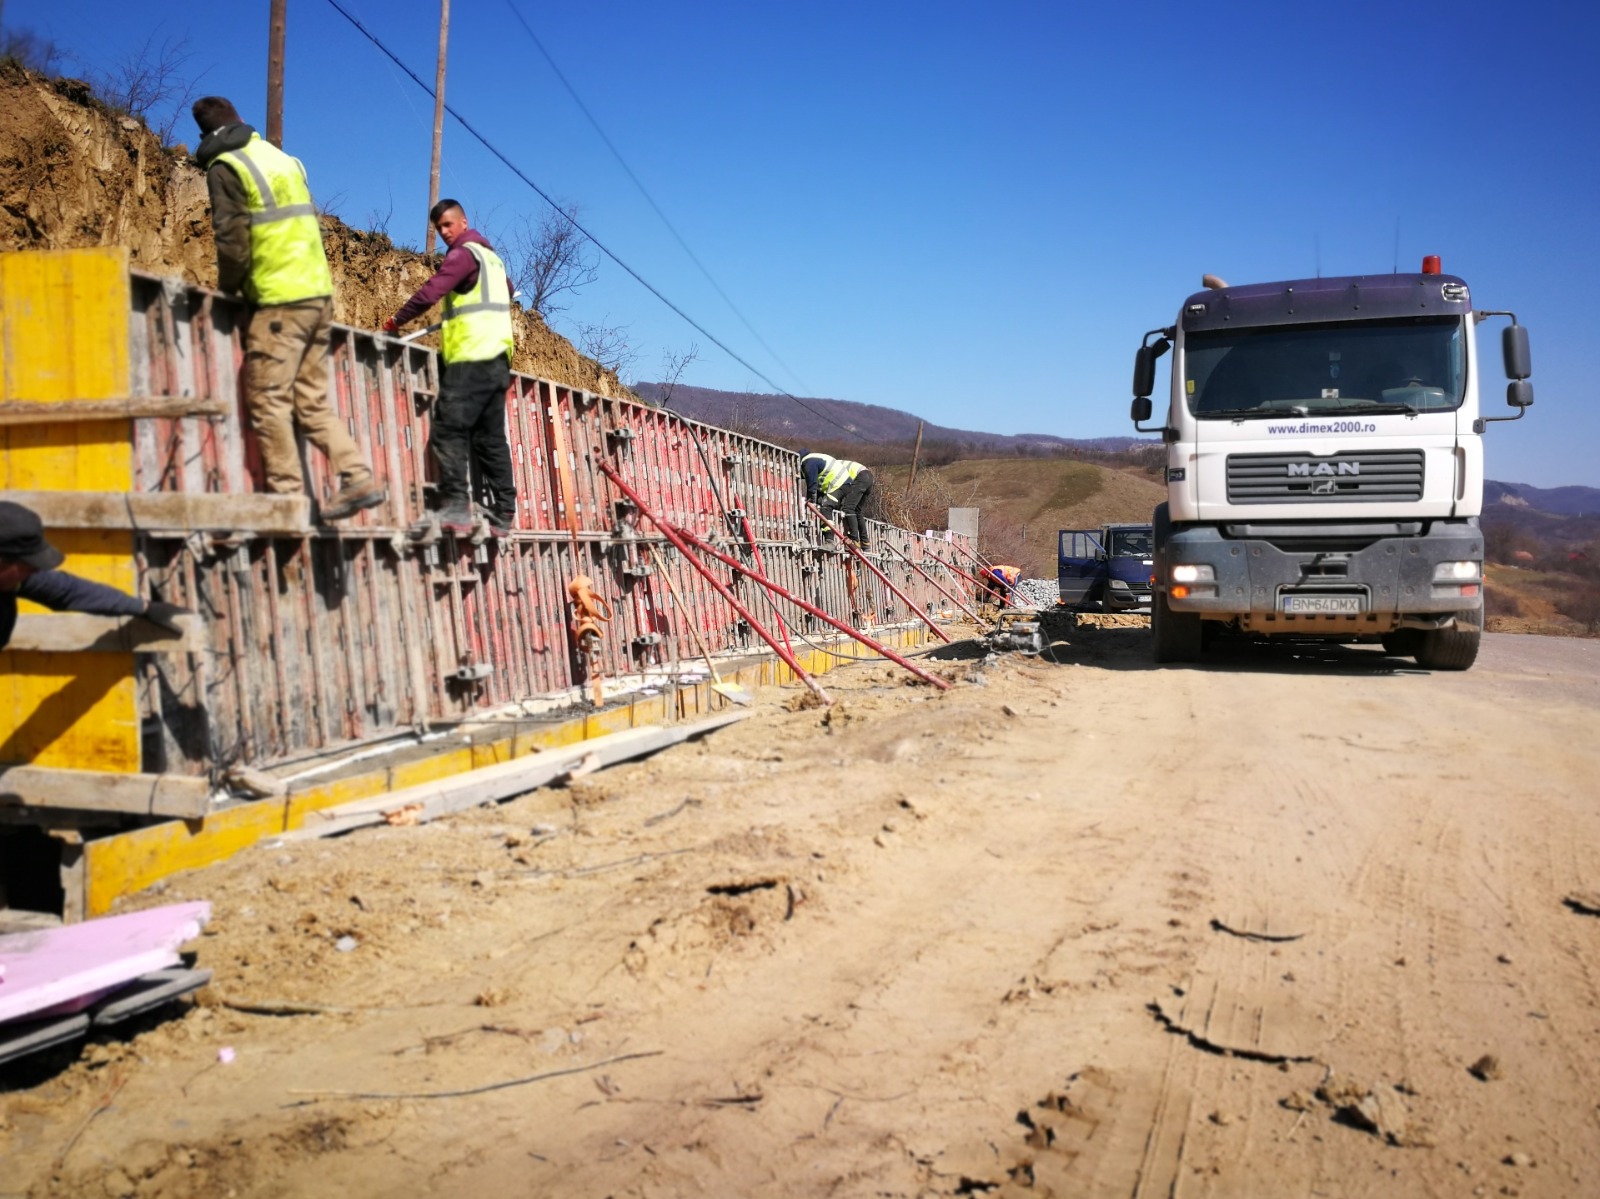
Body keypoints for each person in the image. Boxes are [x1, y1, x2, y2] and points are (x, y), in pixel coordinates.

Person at [192, 96, 386, 523]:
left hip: (279, 300)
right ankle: (357, 476)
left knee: (268, 400)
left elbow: (232, 241)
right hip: (318, 295)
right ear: (240, 120)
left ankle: (289, 502)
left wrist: (230, 292)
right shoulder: (284, 160)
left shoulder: (226, 166)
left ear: (205, 135)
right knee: (311, 402)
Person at [384, 199, 517, 534]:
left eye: (447, 224)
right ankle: (504, 511)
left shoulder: (462, 255)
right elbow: (509, 290)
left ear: (463, 222)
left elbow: (431, 291)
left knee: (448, 430)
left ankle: (457, 507)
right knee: (489, 438)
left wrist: (395, 321)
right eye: (438, 227)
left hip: (471, 358)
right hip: (498, 361)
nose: (443, 232)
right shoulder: (492, 260)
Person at [0, 502, 189, 652]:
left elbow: (69, 591)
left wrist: (144, 608)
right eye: (28, 566)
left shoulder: (15, 579)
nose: (35, 571)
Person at [798, 450, 875, 548]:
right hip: (868, 477)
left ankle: (852, 539)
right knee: (856, 510)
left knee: (845, 508)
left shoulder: (809, 462)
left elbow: (812, 485)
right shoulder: (822, 461)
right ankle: (865, 542)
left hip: (858, 477)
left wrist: (812, 503)